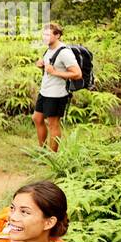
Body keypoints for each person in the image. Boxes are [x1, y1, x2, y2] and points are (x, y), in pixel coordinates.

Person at [32, 22, 81, 152]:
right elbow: (51, 67)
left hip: (57, 94)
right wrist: (42, 65)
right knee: (37, 118)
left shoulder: (65, 52)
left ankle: (51, 156)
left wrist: (54, 72)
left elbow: (77, 74)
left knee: (53, 124)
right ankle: (42, 151)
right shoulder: (49, 49)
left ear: (57, 35)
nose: (44, 37)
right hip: (45, 91)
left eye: (48, 35)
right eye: (44, 34)